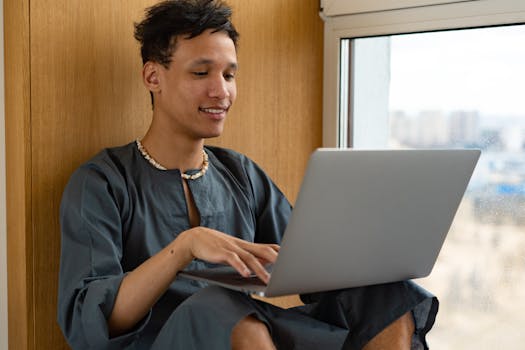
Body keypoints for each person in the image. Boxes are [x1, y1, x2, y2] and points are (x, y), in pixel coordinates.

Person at [57, 0, 438, 349]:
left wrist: (368, 248)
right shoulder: (102, 182)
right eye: (201, 72)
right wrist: (185, 247)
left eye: (229, 75)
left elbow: (309, 270)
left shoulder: (241, 174)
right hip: (171, 340)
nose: (221, 90)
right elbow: (91, 320)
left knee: (384, 291)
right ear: (153, 77)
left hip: (248, 334)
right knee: (216, 306)